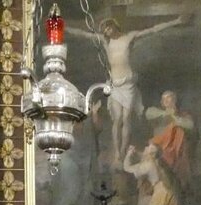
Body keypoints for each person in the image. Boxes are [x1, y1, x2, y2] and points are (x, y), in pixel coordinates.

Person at [68, 14, 188, 166]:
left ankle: (123, 151)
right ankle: (118, 151)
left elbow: (152, 30)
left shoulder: (129, 37)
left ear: (114, 25)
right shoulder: (106, 42)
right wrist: (67, 28)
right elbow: (85, 34)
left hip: (128, 84)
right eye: (105, 29)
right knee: (117, 120)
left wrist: (176, 21)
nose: (107, 31)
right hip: (115, 85)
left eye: (109, 27)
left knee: (126, 119)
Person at [145, 90, 194, 188]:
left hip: (176, 153)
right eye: (163, 98)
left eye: (168, 97)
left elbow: (190, 125)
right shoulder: (159, 114)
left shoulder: (183, 115)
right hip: (159, 150)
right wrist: (165, 113)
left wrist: (174, 117)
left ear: (174, 100)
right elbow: (148, 113)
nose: (165, 100)